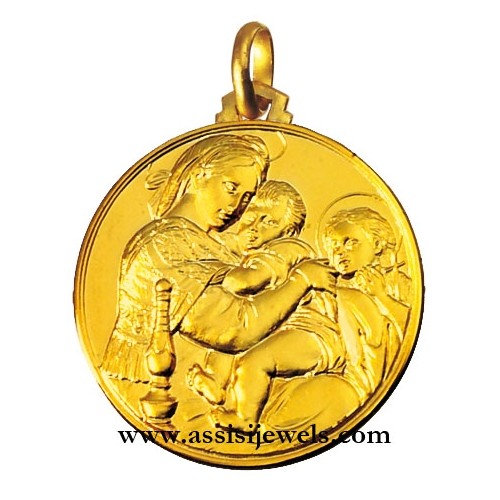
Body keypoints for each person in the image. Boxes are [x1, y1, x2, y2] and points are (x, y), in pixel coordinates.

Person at [101, 135, 338, 397]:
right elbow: (237, 329)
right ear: (198, 175)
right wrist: (302, 280)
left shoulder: (208, 244)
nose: (236, 207)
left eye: (247, 197)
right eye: (231, 188)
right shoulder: (166, 245)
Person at [188, 180, 347, 429]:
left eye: (269, 222)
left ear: (288, 232)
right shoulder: (253, 252)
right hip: (279, 328)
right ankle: (217, 382)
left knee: (255, 361)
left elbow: (242, 282)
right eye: (250, 218)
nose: (254, 228)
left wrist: (206, 273)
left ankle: (244, 418)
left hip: (313, 334)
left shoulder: (285, 249)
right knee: (230, 334)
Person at [322, 207, 410, 396]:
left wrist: (381, 297)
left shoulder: (399, 284)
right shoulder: (329, 292)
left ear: (377, 244)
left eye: (350, 242)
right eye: (333, 246)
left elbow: (412, 327)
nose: (339, 252)